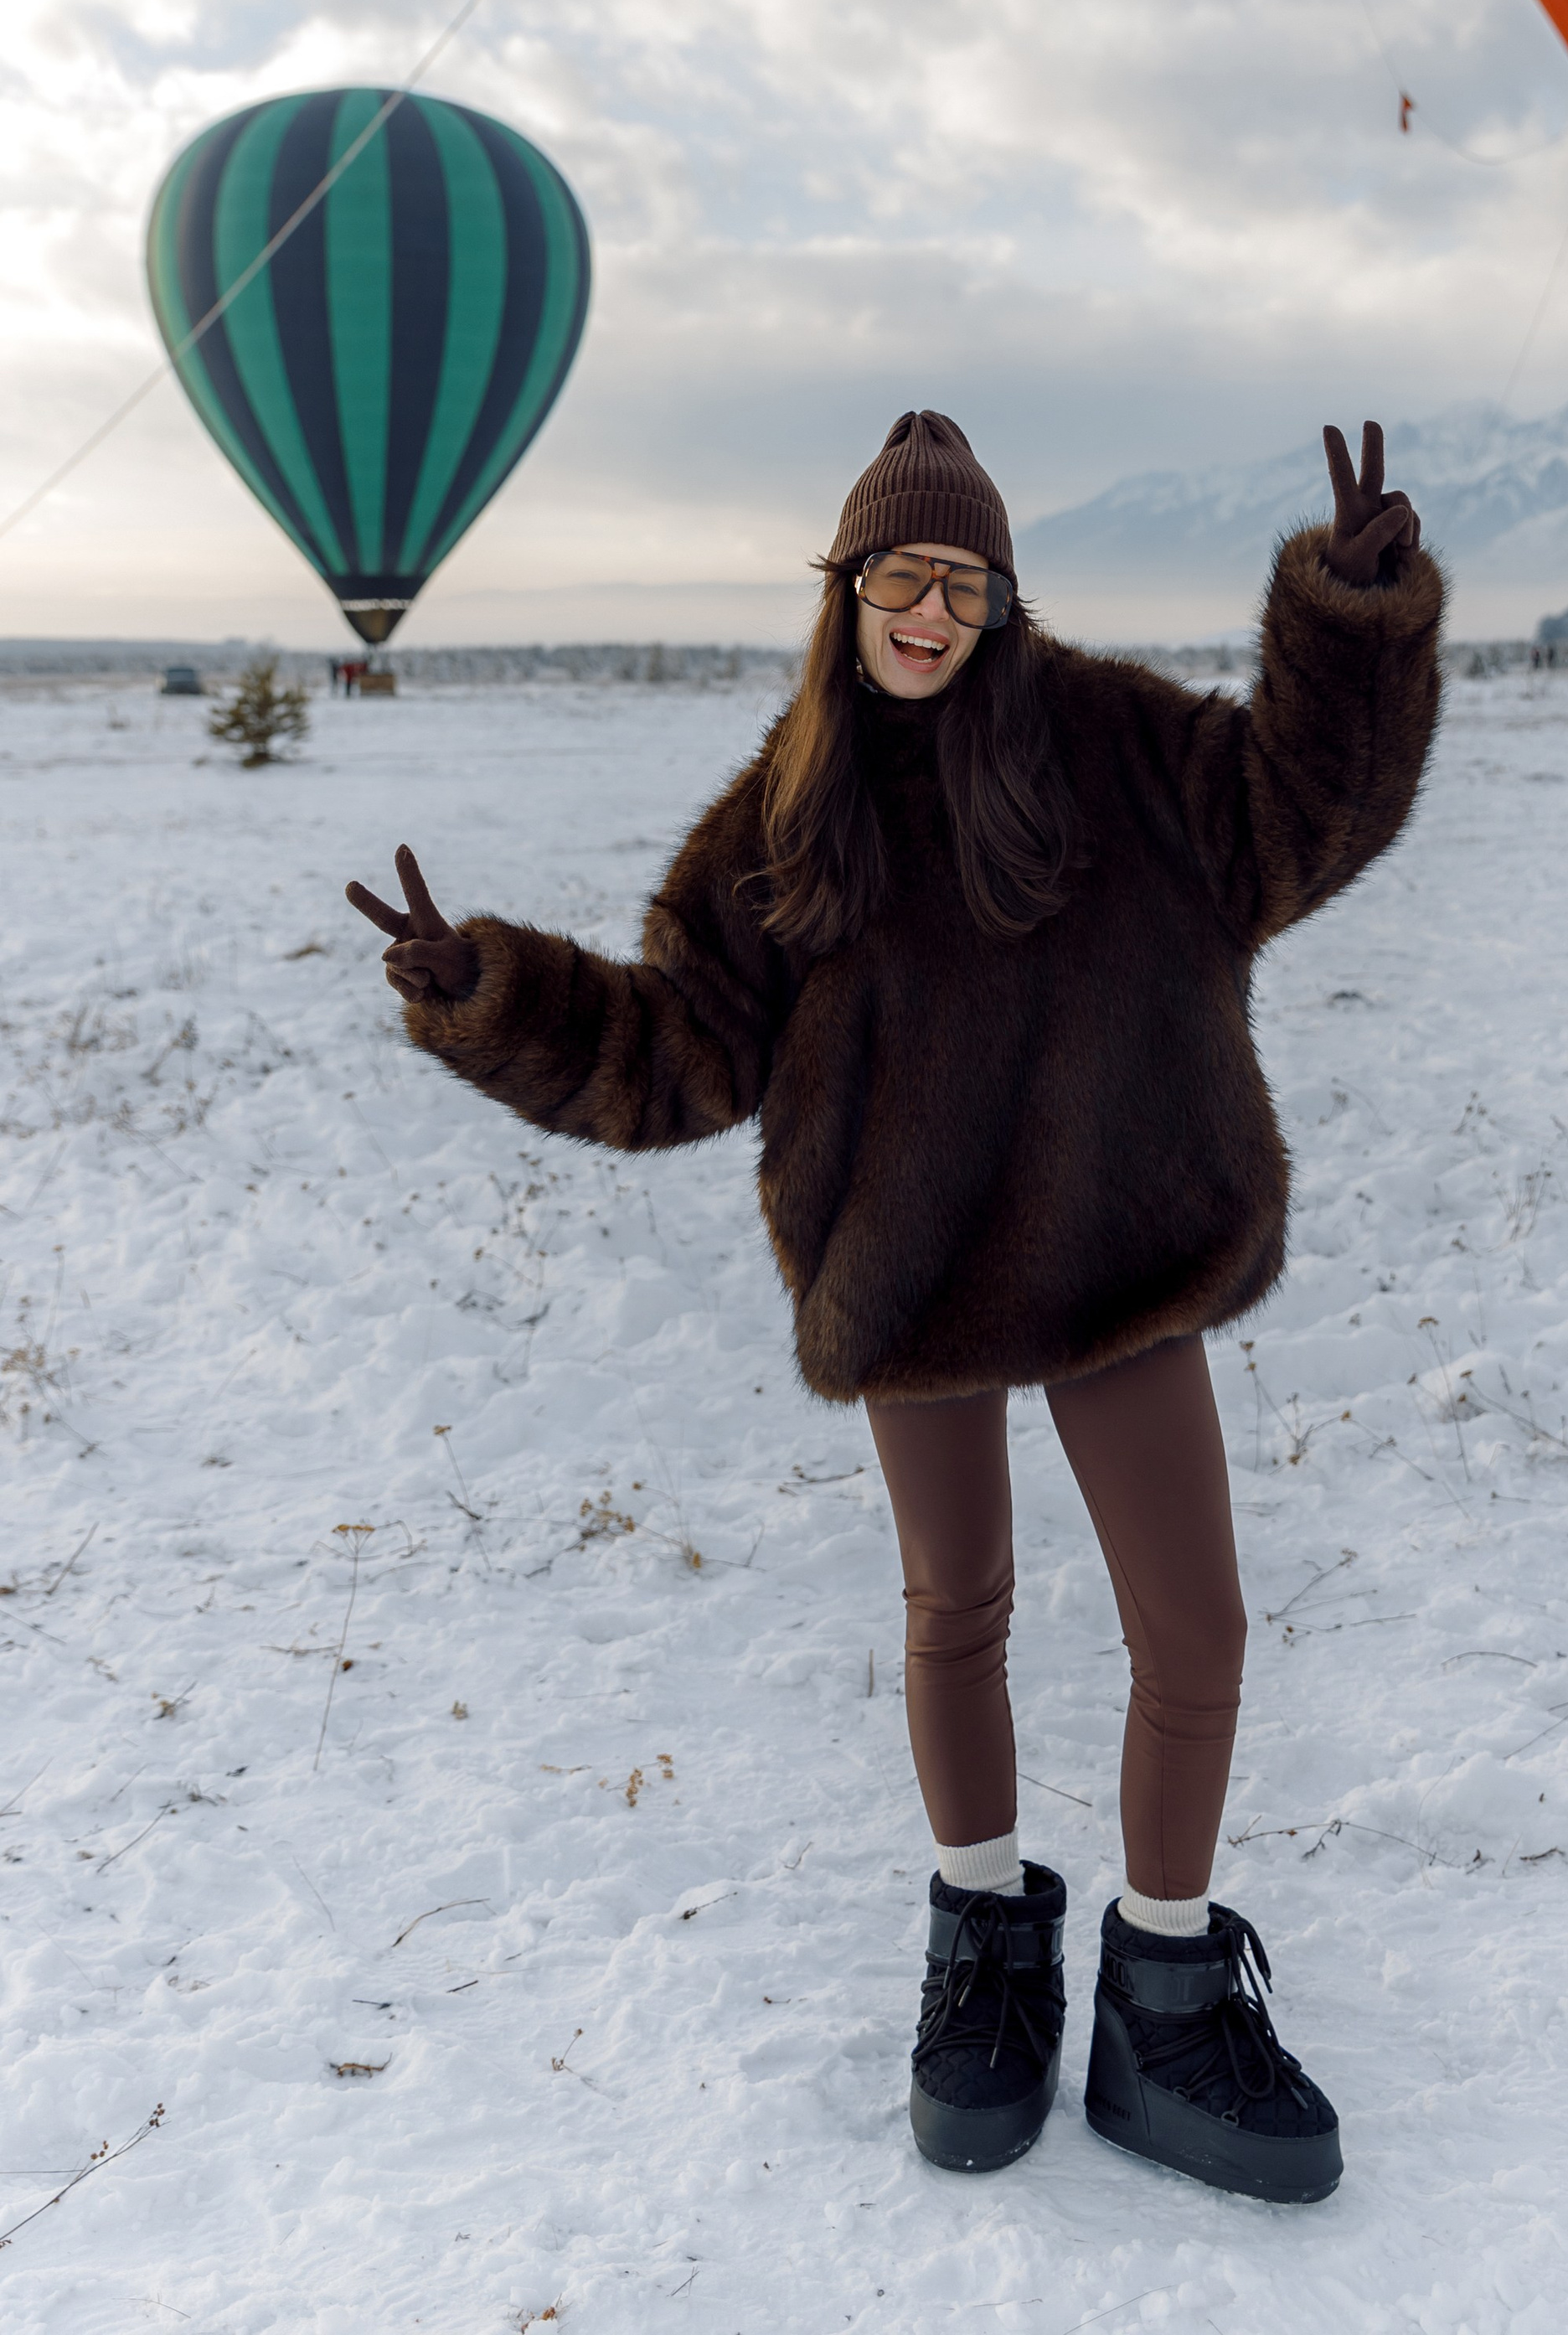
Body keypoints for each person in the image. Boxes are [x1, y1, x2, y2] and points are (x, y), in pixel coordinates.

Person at [348, 409, 1442, 2203]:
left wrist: (1349, 619)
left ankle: (1165, 2003)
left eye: (963, 582)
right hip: (910, 1259)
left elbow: (1299, 811)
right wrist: (495, 994)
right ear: (845, 587)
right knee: (957, 1607)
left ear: (1002, 598)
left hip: (1124, 1239)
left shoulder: (1116, 746)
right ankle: (984, 1951)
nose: (929, 611)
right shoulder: (787, 814)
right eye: (899, 577)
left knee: (1197, 1628)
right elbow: (676, 1050)